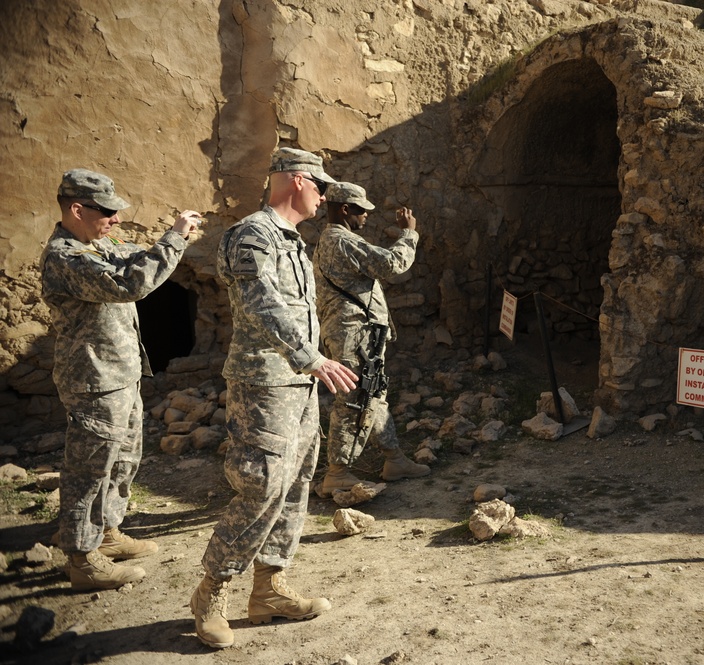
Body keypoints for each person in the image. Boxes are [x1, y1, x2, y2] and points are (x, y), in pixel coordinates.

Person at [191, 147, 358, 649]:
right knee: (261, 484)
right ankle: (211, 591)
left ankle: (268, 588)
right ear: (296, 181)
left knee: (297, 481)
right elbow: (260, 302)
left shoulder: (290, 240)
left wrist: (310, 365)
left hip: (298, 383)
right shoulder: (252, 234)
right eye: (320, 186)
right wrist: (313, 357)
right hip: (263, 382)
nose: (325, 196)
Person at [40, 168, 202, 591]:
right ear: (77, 209)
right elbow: (132, 282)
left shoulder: (97, 243)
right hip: (93, 378)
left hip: (120, 372)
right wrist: (175, 240)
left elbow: (131, 255)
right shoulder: (65, 257)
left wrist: (170, 239)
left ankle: (107, 533)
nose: (115, 219)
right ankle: (82, 557)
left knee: (123, 459)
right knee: (89, 469)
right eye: (107, 211)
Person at [313, 181, 429, 497]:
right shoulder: (341, 241)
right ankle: (337, 472)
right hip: (355, 336)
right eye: (362, 210)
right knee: (353, 400)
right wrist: (408, 233)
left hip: (357, 334)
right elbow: (392, 264)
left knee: (373, 395)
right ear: (345, 209)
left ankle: (395, 460)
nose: (366, 216)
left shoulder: (330, 240)